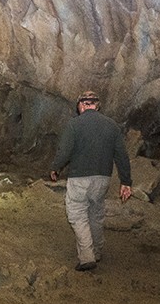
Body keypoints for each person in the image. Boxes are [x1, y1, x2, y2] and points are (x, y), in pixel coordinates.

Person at [49, 90, 133, 272]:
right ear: (97, 105)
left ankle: (87, 257)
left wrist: (55, 167)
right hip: (103, 178)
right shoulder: (111, 126)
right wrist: (126, 182)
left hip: (80, 177)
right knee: (95, 213)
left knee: (77, 213)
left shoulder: (75, 124)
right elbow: (122, 156)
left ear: (81, 105)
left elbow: (64, 151)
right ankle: (97, 251)